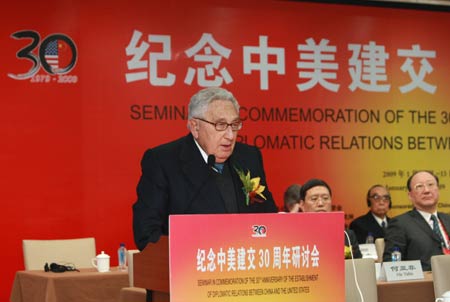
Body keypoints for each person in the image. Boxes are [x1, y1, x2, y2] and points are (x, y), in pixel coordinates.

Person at [383, 170, 450, 271]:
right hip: (426, 283)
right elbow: (391, 265)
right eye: (419, 186)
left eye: (430, 184)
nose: (426, 190)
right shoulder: (400, 224)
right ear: (410, 195)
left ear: (438, 190)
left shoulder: (447, 219)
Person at [298, 178, 362, 259]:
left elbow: (358, 267)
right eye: (314, 199)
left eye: (325, 198)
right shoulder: (293, 235)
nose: (320, 203)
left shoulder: (347, 236)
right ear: (302, 205)